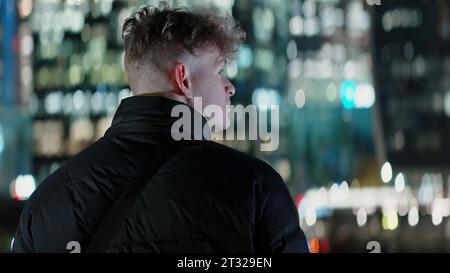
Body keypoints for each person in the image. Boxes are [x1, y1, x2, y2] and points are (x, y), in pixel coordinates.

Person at [12, 3, 309, 253]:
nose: (229, 87)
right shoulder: (255, 188)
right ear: (184, 79)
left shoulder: (46, 203)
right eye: (219, 71)